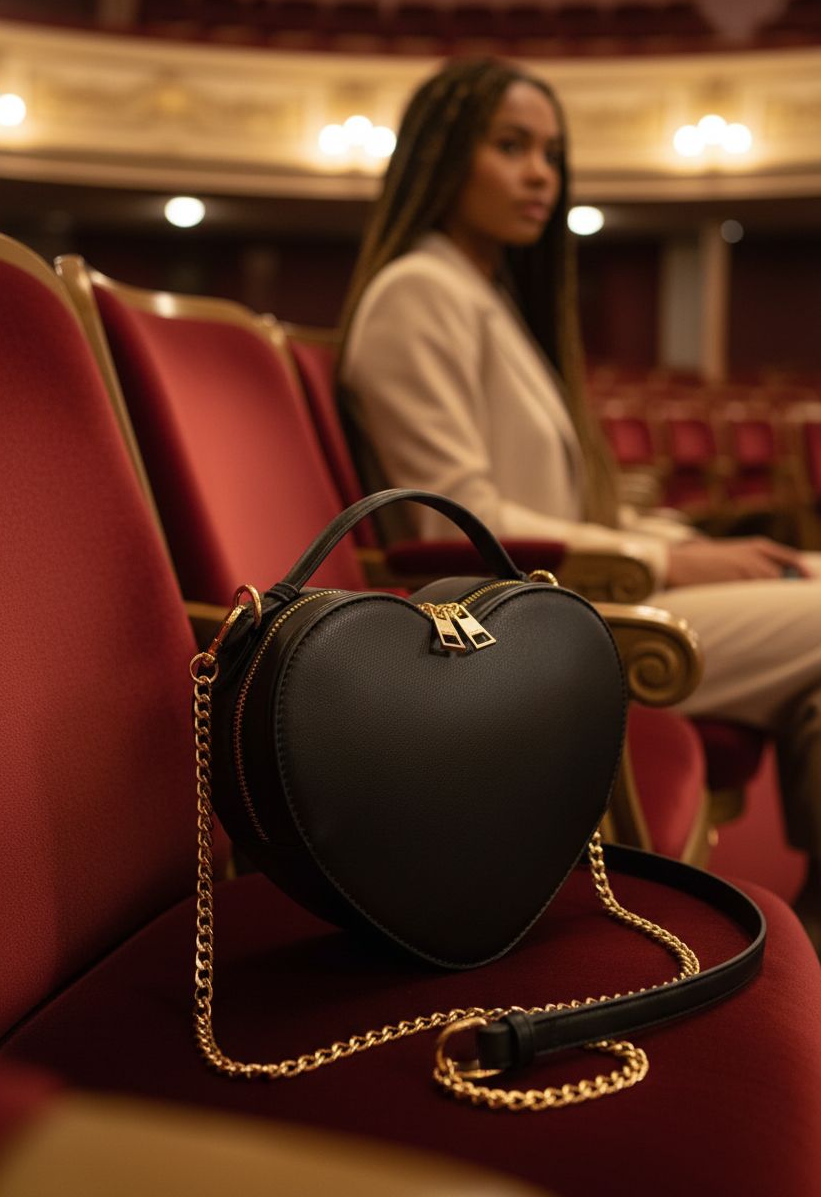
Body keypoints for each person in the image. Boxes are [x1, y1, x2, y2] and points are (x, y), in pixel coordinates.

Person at [337, 57, 821, 949]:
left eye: (551, 155)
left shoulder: (481, 295)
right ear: (442, 155)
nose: (540, 177)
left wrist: (666, 539)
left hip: (576, 594)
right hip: (527, 626)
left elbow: (540, 498)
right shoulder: (417, 294)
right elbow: (463, 522)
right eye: (511, 147)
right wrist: (673, 559)